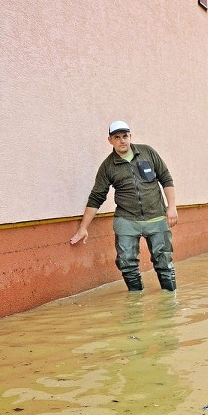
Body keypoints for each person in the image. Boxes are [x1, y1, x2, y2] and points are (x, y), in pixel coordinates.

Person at [70, 121, 179, 291]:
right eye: (117, 137)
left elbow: (166, 178)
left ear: (130, 136)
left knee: (164, 262)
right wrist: (83, 227)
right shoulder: (107, 167)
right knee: (127, 263)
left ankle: (170, 301)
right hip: (127, 220)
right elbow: (96, 197)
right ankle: (135, 304)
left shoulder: (147, 152)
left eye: (125, 136)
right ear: (110, 140)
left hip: (157, 217)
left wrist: (171, 207)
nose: (122, 141)